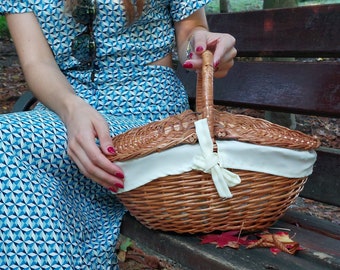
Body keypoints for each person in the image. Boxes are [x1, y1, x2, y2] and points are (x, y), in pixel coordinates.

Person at [0, 0, 236, 268]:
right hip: (63, 115)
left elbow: (189, 28)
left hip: (146, 117)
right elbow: (37, 62)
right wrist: (72, 108)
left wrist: (201, 44)